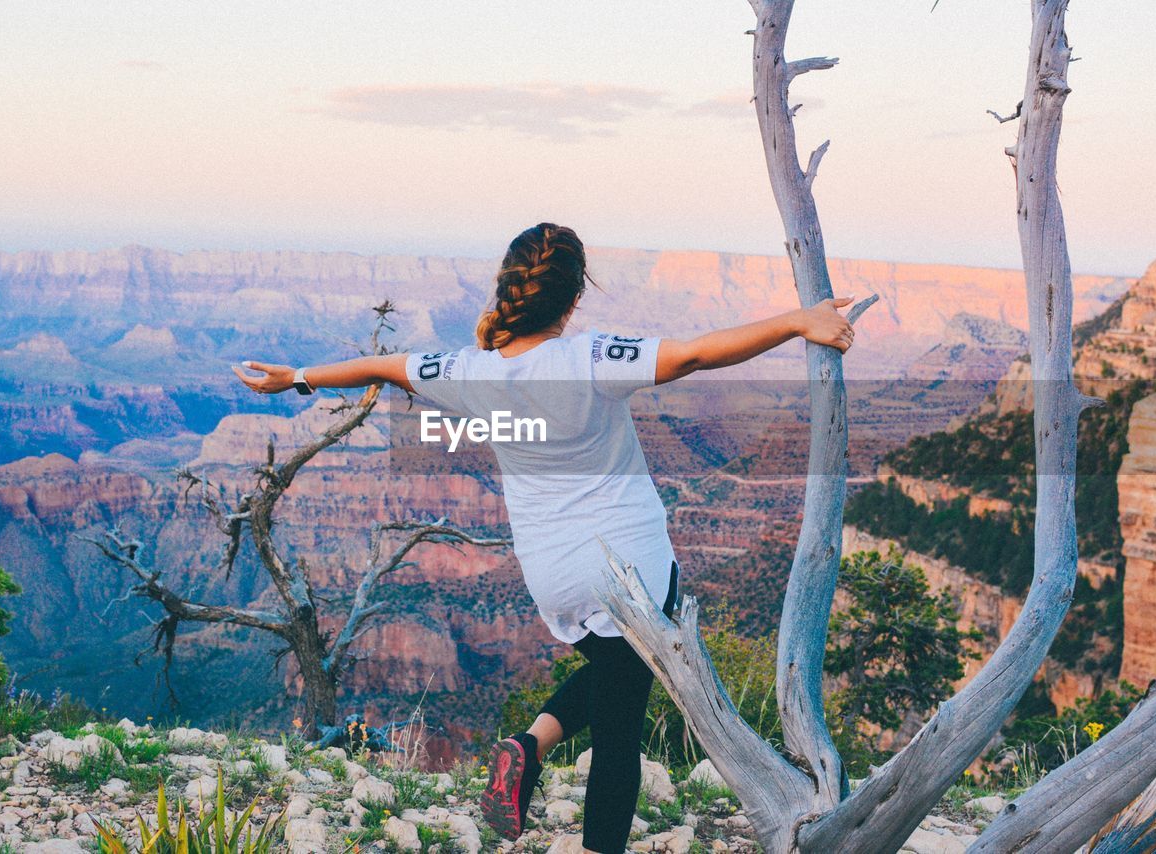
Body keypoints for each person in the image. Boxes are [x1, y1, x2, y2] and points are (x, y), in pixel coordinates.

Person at [233, 222, 855, 853]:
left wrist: (300, 377)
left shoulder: (469, 371)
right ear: (573, 295)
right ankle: (576, 815)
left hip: (551, 575)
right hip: (629, 566)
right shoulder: (588, 358)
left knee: (618, 674)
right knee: (619, 733)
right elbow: (696, 353)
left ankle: (529, 747)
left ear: (511, 289)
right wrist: (799, 322)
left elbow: (384, 366)